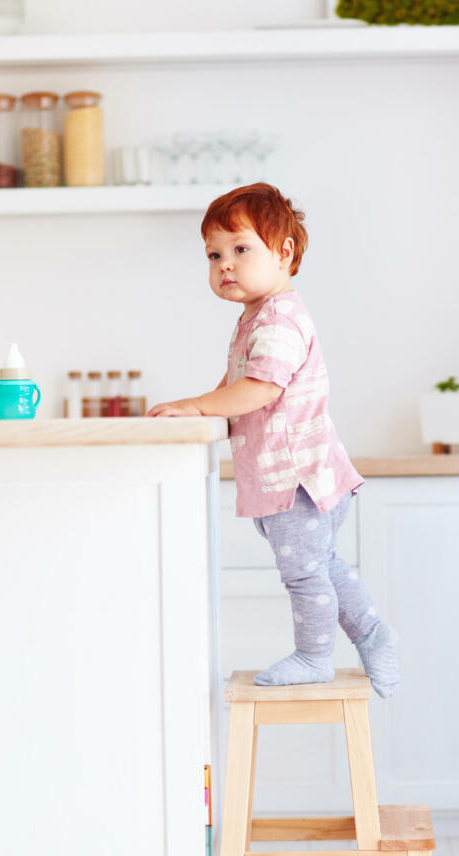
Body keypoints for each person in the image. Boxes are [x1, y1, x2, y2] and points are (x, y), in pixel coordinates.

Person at [147, 183, 399, 697]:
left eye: (241, 249)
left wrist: (196, 406)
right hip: (300, 477)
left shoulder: (280, 317)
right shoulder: (257, 317)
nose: (225, 265)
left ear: (284, 252)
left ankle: (315, 656)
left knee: (305, 577)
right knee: (323, 567)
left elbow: (261, 387)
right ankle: (375, 636)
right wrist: (199, 402)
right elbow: (234, 383)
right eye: (214, 254)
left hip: (298, 480)